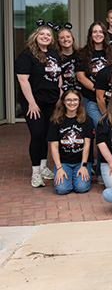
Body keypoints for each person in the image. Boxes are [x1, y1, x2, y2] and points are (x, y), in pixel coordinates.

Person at [16, 23, 63, 187]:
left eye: (48, 35)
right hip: (33, 102)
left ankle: (44, 167)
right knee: (37, 134)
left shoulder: (53, 54)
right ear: (35, 36)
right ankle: (36, 172)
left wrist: (60, 94)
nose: (45, 37)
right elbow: (23, 80)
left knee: (46, 134)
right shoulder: (27, 55)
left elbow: (58, 75)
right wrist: (31, 103)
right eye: (42, 34)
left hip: (51, 101)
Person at [47, 89, 93, 195]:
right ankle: (70, 175)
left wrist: (83, 165)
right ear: (63, 101)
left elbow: (87, 145)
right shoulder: (56, 120)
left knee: (81, 188)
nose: (72, 103)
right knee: (62, 190)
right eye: (68, 100)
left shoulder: (87, 120)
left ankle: (75, 176)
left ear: (80, 101)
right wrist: (59, 168)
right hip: (64, 162)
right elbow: (53, 147)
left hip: (81, 161)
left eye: (75, 100)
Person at [76, 22, 112, 130]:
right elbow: (80, 77)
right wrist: (97, 90)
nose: (98, 34)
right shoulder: (82, 53)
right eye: (95, 32)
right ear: (90, 35)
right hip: (90, 98)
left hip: (110, 98)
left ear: (105, 34)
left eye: (101, 32)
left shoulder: (111, 52)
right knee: (98, 126)